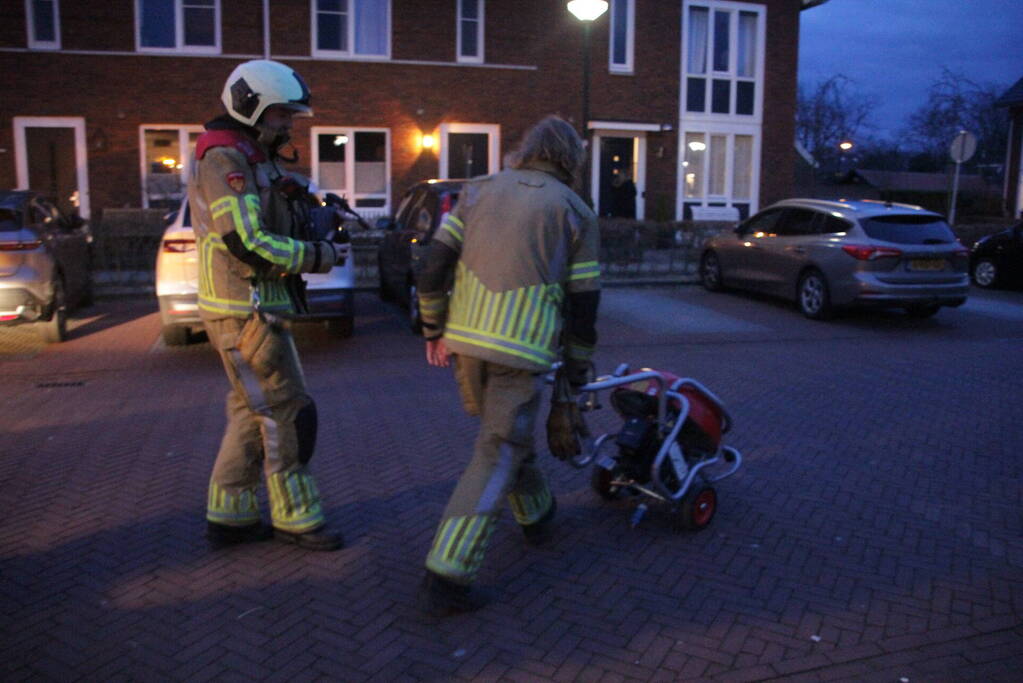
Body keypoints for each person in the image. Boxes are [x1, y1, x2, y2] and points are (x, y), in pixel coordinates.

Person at [415, 115, 601, 614]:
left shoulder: (476, 190)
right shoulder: (576, 211)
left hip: (466, 345)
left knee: (504, 434)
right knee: (498, 450)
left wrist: (433, 328)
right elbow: (584, 307)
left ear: (528, 148)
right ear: (571, 159)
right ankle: (447, 576)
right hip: (522, 350)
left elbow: (432, 267)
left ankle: (537, 515)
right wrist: (574, 377)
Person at [188, 60, 347, 551]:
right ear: (251, 108)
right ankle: (296, 518)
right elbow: (247, 242)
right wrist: (319, 254)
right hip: (243, 312)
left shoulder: (251, 156)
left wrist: (313, 210)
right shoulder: (225, 160)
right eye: (281, 115)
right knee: (288, 411)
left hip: (252, 310)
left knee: (249, 411)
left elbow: (271, 214)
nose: (288, 125)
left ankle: (230, 517)